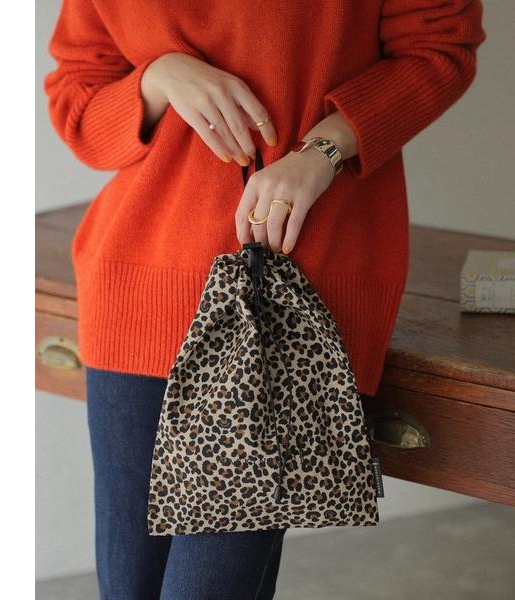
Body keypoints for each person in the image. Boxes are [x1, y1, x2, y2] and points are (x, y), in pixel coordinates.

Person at [44, 1, 486, 598]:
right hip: (137, 284)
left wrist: (323, 151)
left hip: (286, 296)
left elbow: (439, 50)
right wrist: (160, 77)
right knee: (128, 587)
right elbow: (78, 107)